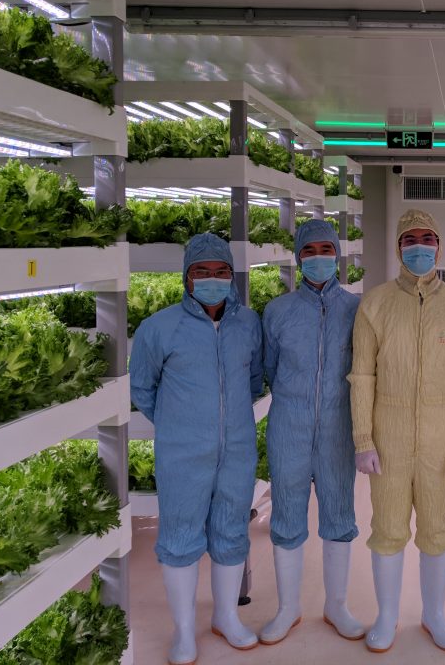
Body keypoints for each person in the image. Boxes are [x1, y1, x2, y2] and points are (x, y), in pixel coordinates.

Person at [349, 208, 445, 654]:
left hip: (440, 438)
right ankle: (386, 617)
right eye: (410, 239)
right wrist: (363, 440)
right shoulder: (376, 303)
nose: (419, 246)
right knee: (386, 527)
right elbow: (362, 376)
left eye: (428, 238)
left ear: (439, 246)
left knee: (437, 526)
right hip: (387, 436)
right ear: (399, 247)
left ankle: (434, 614)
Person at [130, 233, 264, 665]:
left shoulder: (248, 324)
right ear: (186, 277)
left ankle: (226, 616)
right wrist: (180, 425)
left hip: (238, 450)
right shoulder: (159, 328)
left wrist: (227, 425)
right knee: (180, 537)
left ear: (232, 276)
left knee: (230, 532)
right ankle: (184, 631)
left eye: (221, 272)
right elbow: (143, 389)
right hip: (182, 453)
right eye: (201, 272)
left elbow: (253, 381)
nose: (212, 279)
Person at [258, 219, 364, 645]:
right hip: (289, 427)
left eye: (326, 249)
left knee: (340, 516)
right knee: (286, 515)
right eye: (309, 250)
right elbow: (267, 369)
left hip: (341, 427)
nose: (318, 257)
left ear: (338, 254)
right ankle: (288, 609)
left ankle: (336, 605)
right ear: (298, 257)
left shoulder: (357, 309)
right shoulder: (278, 312)